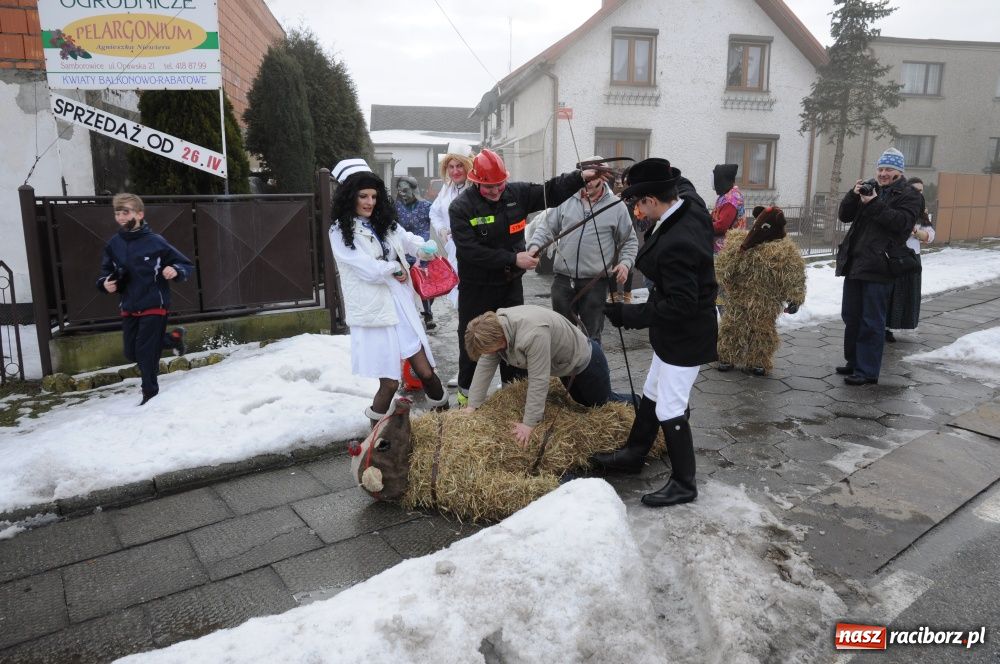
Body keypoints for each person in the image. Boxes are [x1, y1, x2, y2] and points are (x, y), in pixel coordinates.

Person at [591, 158, 717, 507]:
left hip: (687, 336)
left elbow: (682, 304)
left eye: (636, 201)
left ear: (651, 201)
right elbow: (683, 181)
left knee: (671, 407)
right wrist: (638, 173)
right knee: (652, 391)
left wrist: (629, 314)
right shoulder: (688, 203)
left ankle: (684, 483)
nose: (634, 208)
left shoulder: (678, 241)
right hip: (676, 334)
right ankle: (634, 453)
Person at [449, 148, 600, 405]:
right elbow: (470, 250)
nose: (496, 191)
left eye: (499, 185)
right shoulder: (461, 207)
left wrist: (580, 177)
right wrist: (512, 258)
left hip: (510, 285)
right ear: (475, 182)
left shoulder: (517, 194)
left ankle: (512, 393)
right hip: (477, 288)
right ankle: (466, 399)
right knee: (475, 342)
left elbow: (550, 191)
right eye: (488, 187)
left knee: (514, 339)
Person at [329, 158, 448, 425]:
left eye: (373, 196)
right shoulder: (339, 231)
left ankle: (446, 425)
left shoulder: (384, 221)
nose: (369, 202)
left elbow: (406, 239)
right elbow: (365, 268)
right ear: (350, 196)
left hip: (399, 303)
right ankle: (374, 443)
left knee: (425, 371)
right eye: (363, 196)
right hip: (374, 312)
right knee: (390, 383)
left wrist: (423, 247)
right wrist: (394, 267)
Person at [461, 305, 628, 446]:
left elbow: (538, 379)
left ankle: (636, 403)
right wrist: (472, 405)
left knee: (602, 403)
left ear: (500, 338)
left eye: (493, 350)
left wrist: (529, 424)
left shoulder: (534, 334)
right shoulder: (495, 329)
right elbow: (485, 365)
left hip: (586, 360)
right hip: (565, 366)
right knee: (581, 401)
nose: (492, 353)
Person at [835, 147, 922, 385]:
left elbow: (902, 224)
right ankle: (854, 362)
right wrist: (853, 196)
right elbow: (844, 216)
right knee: (851, 315)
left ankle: (867, 371)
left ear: (899, 172)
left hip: (881, 265)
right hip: (857, 262)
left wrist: (873, 203)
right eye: (881, 168)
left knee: (871, 320)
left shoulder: (910, 195)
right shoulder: (873, 189)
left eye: (889, 169)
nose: (883, 173)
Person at [96, 193, 192, 405]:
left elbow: (185, 264)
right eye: (117, 213)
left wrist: (174, 270)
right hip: (129, 304)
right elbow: (104, 273)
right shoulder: (114, 244)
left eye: (126, 212)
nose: (121, 217)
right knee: (131, 353)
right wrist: (104, 283)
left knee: (145, 352)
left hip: (154, 303)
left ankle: (150, 394)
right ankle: (173, 339)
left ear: (140, 214)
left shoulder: (156, 242)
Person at [527, 158, 637, 341]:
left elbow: (629, 241)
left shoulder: (617, 207)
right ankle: (566, 370)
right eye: (586, 176)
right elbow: (547, 228)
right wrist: (534, 247)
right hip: (562, 282)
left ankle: (591, 369)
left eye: (594, 177)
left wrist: (625, 264)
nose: (589, 181)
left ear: (603, 178)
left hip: (595, 284)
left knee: (591, 337)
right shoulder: (565, 199)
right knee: (561, 336)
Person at [715, 206, 806, 375]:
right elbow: (724, 268)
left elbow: (794, 275)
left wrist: (795, 298)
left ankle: (758, 360)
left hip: (766, 301)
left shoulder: (785, 252)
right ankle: (727, 355)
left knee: (762, 330)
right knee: (733, 325)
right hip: (739, 296)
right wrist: (734, 257)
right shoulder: (740, 242)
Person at [885, 177, 935, 342]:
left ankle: (898, 324)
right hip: (895, 255)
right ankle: (885, 328)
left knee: (907, 294)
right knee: (891, 294)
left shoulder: (922, 213)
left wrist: (916, 233)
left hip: (912, 257)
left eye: (921, 191)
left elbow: (930, 236)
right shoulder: (899, 207)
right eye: (914, 189)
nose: (918, 193)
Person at [395, 175, 436, 330]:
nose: (402, 194)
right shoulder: (396, 207)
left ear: (414, 189)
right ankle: (419, 314)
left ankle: (427, 311)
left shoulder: (426, 206)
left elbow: (438, 221)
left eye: (405, 190)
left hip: (424, 251)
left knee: (426, 284)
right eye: (399, 191)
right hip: (404, 253)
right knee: (408, 286)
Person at [711, 163, 746, 319]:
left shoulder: (731, 198)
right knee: (721, 291)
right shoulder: (726, 195)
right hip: (721, 251)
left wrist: (703, 224)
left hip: (724, 252)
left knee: (723, 291)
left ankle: (729, 325)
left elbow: (721, 226)